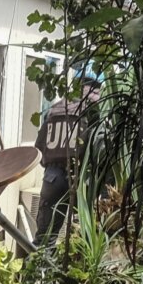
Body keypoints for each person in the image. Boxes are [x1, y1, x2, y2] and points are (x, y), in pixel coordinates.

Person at [31, 66, 101, 242]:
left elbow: (39, 147)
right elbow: (99, 146)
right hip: (82, 179)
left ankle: (40, 269)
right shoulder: (96, 106)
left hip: (52, 177)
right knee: (84, 239)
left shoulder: (55, 108)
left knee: (45, 237)